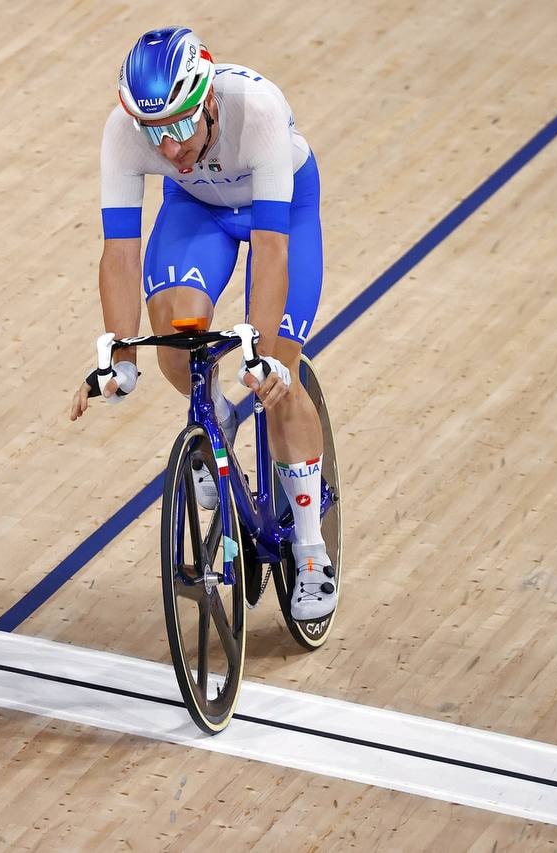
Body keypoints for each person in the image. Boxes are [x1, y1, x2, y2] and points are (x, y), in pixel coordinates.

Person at [69, 26, 335, 621]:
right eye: (153, 132)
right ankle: (213, 430)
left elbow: (270, 249)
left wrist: (263, 354)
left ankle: (312, 547)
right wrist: (120, 357)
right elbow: (120, 251)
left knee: (277, 373)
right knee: (173, 334)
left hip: (281, 214)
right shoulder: (124, 133)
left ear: (208, 102)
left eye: (180, 127)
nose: (169, 148)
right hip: (196, 214)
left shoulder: (257, 111)